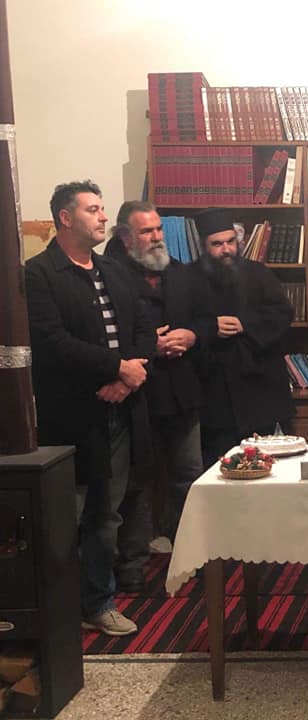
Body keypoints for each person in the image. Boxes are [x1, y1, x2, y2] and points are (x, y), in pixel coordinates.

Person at [25, 181, 153, 636]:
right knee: (67, 515)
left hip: (119, 411)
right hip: (70, 415)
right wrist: (116, 367)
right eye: (93, 209)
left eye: (102, 209)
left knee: (106, 513)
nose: (103, 217)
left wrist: (126, 376)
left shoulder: (114, 270)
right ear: (65, 218)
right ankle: (55, 608)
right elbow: (51, 341)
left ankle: (98, 602)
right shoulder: (38, 274)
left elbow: (144, 327)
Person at [104, 201, 214, 588]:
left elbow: (206, 319)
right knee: (137, 482)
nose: (156, 237)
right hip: (137, 394)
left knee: (189, 475)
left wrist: (193, 335)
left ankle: (189, 553)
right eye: (146, 231)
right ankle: (132, 562)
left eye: (158, 230)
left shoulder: (181, 273)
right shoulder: (110, 275)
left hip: (182, 392)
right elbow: (105, 335)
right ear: (125, 237)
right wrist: (151, 343)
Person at [190, 208, 295, 468]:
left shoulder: (258, 273)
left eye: (230, 241)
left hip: (261, 387)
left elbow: (282, 314)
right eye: (217, 244)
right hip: (214, 393)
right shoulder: (188, 278)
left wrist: (245, 325)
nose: (226, 249)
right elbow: (183, 324)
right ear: (204, 245)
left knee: (266, 467)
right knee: (219, 468)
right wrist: (211, 327)